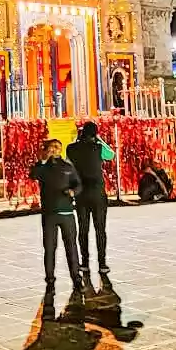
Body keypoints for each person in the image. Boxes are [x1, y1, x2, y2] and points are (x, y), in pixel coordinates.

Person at [29, 139, 83, 302]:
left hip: (67, 213)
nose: (55, 150)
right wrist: (43, 159)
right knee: (50, 248)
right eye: (52, 147)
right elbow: (33, 175)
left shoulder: (67, 167)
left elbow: (78, 184)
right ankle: (50, 281)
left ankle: (76, 278)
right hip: (50, 214)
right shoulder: (43, 168)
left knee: (71, 247)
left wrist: (73, 192)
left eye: (58, 147)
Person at [66, 121, 114, 288]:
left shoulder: (71, 149)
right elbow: (111, 155)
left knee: (83, 228)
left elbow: (69, 163)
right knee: (100, 229)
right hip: (98, 194)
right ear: (95, 133)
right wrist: (99, 139)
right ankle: (102, 263)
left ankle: (84, 262)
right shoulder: (98, 148)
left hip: (81, 194)